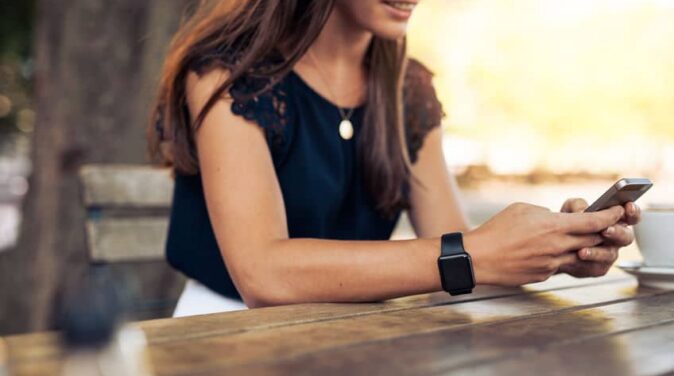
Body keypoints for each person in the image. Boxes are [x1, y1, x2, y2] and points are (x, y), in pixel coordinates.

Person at [149, 0, 641, 317]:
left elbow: (456, 248)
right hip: (225, 334)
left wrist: (546, 251)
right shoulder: (226, 74)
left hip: (360, 332)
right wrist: (477, 254)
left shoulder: (408, 88)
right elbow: (263, 275)